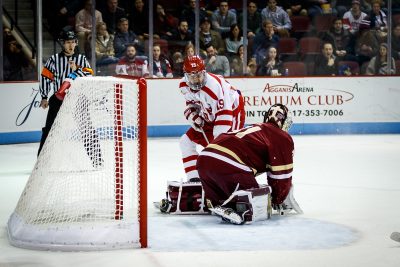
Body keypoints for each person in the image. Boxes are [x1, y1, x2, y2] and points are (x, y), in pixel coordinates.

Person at [196, 104, 303, 225]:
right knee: (258, 200)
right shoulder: (281, 137)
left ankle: (219, 203)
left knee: (222, 194)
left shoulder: (256, 129)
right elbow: (281, 175)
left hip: (203, 159)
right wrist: (278, 198)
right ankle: (234, 206)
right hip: (227, 164)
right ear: (282, 121)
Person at [179, 55, 245, 181]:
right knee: (185, 142)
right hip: (209, 114)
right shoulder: (184, 86)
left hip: (232, 111)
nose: (196, 80)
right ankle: (194, 179)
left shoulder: (214, 87)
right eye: (192, 77)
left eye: (198, 75)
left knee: (227, 149)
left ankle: (231, 178)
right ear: (186, 76)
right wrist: (193, 116)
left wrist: (217, 145)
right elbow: (191, 104)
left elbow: (224, 116)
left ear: (204, 72)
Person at [38, 30, 93, 155]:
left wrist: (77, 69)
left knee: (87, 129)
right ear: (63, 43)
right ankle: (40, 159)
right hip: (58, 98)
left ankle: (97, 160)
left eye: (72, 42)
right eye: (68, 42)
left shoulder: (81, 59)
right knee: (49, 129)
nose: (70, 45)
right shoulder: (54, 59)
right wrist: (44, 97)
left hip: (77, 98)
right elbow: (45, 78)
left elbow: (89, 75)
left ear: (76, 43)